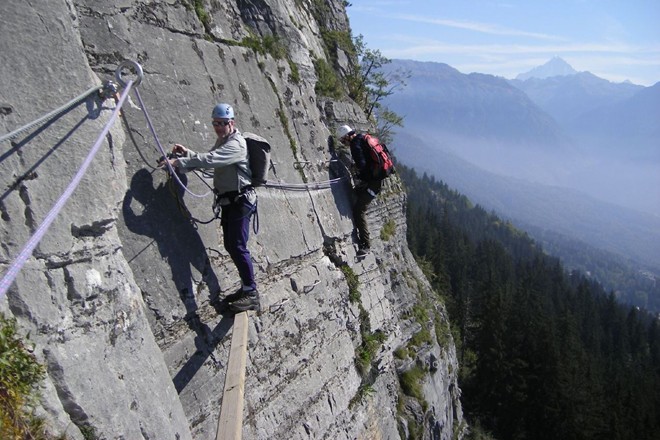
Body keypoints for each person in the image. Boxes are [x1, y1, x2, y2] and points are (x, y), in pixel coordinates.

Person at [161, 103, 259, 312]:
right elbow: (208, 160)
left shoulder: (236, 144)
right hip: (231, 203)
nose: (217, 127)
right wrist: (186, 154)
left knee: (238, 246)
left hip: (240, 202)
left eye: (221, 124)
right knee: (232, 246)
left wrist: (179, 162)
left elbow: (211, 160)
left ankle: (251, 293)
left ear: (231, 123)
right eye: (214, 123)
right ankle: (246, 288)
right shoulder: (224, 140)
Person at [337, 124, 382, 257]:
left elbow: (362, 166)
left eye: (342, 140)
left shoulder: (355, 146)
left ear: (346, 136)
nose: (342, 142)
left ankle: (365, 245)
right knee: (355, 194)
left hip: (373, 183)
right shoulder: (363, 137)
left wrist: (357, 173)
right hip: (376, 179)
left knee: (358, 211)